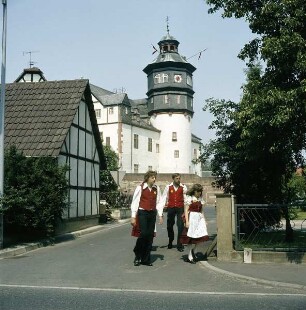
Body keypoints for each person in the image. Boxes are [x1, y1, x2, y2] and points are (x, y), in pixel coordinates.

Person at [130, 170, 164, 266]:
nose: (154, 179)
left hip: (152, 213)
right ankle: (137, 253)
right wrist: (133, 216)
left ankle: (145, 258)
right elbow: (135, 202)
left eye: (155, 177)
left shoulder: (156, 188)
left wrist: (160, 215)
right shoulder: (140, 188)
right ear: (147, 178)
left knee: (150, 236)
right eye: (152, 177)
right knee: (143, 233)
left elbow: (159, 202)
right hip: (142, 212)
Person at [179, 183, 209, 264]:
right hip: (192, 218)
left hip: (199, 219)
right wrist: (187, 221)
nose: (200, 193)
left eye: (200, 191)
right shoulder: (189, 198)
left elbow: (202, 211)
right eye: (198, 191)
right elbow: (186, 210)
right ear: (194, 191)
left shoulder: (200, 199)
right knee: (191, 238)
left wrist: (204, 220)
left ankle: (193, 252)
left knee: (201, 236)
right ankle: (190, 256)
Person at [161, 173, 187, 252]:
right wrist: (161, 209)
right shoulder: (168, 187)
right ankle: (170, 240)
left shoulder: (183, 187)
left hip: (180, 207)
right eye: (177, 178)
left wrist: (186, 209)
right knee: (169, 225)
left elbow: (186, 199)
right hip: (171, 207)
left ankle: (179, 244)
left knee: (180, 226)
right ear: (173, 179)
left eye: (179, 178)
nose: (178, 180)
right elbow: (164, 197)